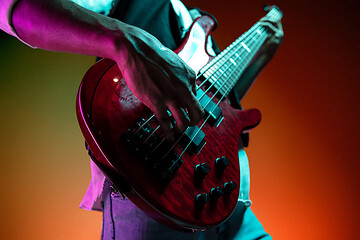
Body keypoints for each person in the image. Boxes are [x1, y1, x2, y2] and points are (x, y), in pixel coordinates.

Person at [0, 0, 283, 239]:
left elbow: (211, 109)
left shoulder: (193, 19)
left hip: (228, 200)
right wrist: (124, 41)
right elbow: (16, 8)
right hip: (156, 194)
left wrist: (262, 55)